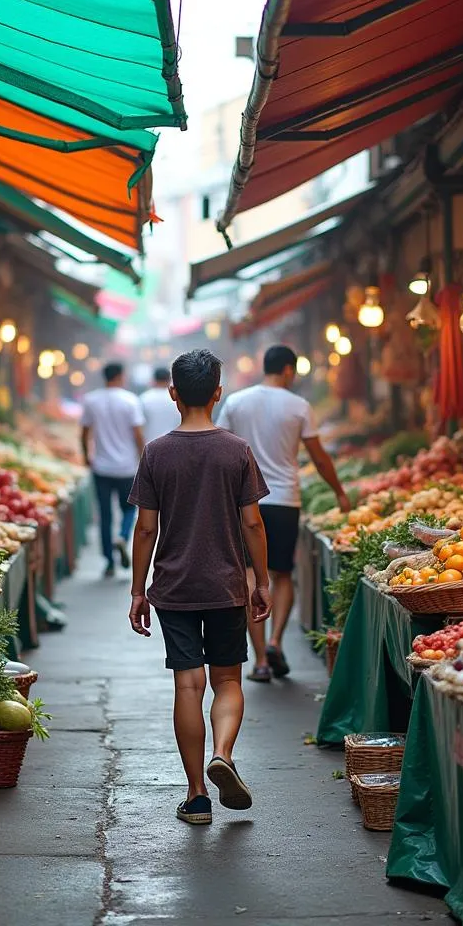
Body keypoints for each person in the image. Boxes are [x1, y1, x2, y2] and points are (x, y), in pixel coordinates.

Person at [128, 349, 272, 825]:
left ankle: (196, 797)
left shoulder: (156, 453)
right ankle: (224, 755)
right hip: (227, 584)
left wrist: (137, 589)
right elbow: (252, 523)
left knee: (187, 684)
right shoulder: (236, 450)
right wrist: (262, 580)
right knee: (227, 680)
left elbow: (146, 529)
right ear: (217, 393)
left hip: (174, 587)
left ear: (173, 394)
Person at [218, 344, 351, 683]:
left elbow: (220, 448)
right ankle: (276, 640)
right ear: (289, 370)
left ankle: (260, 659)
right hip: (284, 500)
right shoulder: (299, 406)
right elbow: (320, 458)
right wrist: (338, 491)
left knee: (248, 576)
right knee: (280, 575)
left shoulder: (236, 402)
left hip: (243, 501)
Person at [81, 363, 145, 578]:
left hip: (101, 467)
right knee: (128, 509)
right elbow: (137, 434)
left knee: (105, 514)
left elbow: (84, 432)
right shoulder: (130, 400)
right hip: (126, 467)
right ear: (121, 376)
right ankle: (123, 536)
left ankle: (109, 561)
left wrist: (86, 457)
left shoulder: (91, 400)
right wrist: (142, 458)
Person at [139, 367, 180, 441]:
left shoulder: (144, 399)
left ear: (154, 380)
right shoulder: (177, 399)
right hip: (174, 445)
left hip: (149, 446)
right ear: (169, 379)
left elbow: (139, 427)